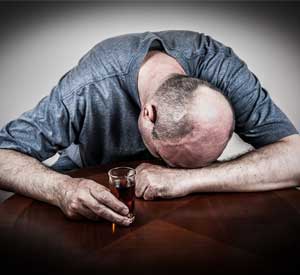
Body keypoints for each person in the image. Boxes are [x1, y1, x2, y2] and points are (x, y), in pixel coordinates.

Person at [0, 30, 299, 226]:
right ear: (148, 114)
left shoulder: (221, 68)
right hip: (99, 198)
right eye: (173, 161)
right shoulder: (87, 88)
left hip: (189, 213)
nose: (177, 170)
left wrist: (188, 180)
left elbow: (295, 157)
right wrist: (62, 190)